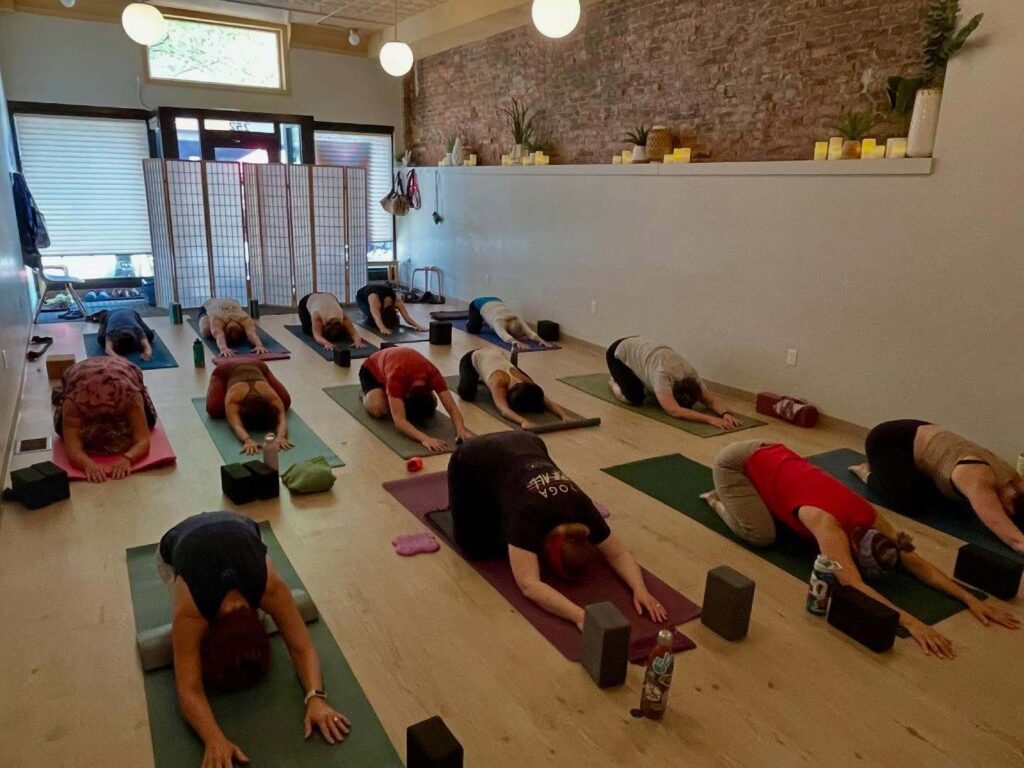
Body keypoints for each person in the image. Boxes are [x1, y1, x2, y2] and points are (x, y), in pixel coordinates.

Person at [702, 441, 1020, 658]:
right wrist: (912, 623)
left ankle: (756, 496)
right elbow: (853, 582)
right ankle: (720, 499)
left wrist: (969, 599)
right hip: (736, 462)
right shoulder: (827, 525)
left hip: (775, 456)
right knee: (762, 535)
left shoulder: (869, 516)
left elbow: (916, 562)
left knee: (785, 515)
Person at [159, 512, 350, 768]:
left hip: (240, 524)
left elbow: (301, 647)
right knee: (191, 638)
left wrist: (317, 698)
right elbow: (188, 689)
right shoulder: (192, 610)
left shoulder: (269, 586)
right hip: (174, 542)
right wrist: (213, 738)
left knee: (267, 579)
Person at [448, 432, 668, 630]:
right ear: (546, 545)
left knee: (510, 527)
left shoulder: (581, 506)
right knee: (478, 549)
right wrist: (579, 616)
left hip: (529, 441)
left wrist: (641, 590)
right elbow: (529, 584)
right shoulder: (527, 514)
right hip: (470, 457)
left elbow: (618, 553)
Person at [851, 420, 1024, 554]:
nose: (1004, 514)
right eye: (1007, 512)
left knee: (944, 499)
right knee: (909, 503)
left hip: (921, 436)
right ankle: (868, 473)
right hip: (888, 441)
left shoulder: (1015, 481)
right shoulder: (978, 481)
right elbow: (1015, 540)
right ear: (1009, 506)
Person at [53, 356, 157, 482]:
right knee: (60, 429)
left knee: (150, 420)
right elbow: (72, 448)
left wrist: (128, 458)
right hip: (79, 373)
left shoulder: (131, 398)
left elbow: (143, 440)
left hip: (125, 369)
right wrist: (87, 464)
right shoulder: (74, 403)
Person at [606, 336, 739, 430]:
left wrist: (725, 414)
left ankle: (640, 377)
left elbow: (711, 400)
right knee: (635, 397)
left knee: (653, 390)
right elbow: (674, 410)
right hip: (617, 352)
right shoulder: (662, 374)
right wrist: (710, 419)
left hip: (641, 349)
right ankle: (614, 381)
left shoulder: (690, 373)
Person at [359, 346, 473, 452]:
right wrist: (424, 438)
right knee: (379, 409)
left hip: (394, 368)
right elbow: (399, 421)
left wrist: (460, 429)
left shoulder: (433, 373)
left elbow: (452, 407)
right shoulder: (397, 377)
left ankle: (393, 397)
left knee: (430, 406)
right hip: (371, 370)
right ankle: (366, 394)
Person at [457, 348, 572, 429]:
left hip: (496, 354)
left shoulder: (526, 381)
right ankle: (480, 376)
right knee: (466, 393)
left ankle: (484, 376)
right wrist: (523, 421)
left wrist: (564, 415)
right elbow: (504, 410)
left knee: (535, 397)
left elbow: (548, 401)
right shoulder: (498, 382)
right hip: (472, 357)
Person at [207, 359, 292, 456]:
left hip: (258, 366)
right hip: (225, 369)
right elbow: (236, 425)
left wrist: (281, 436)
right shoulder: (234, 398)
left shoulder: (271, 397)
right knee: (214, 409)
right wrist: (247, 440)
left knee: (285, 401)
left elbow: (282, 419)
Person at [465, 297, 552, 350]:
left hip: (496, 300)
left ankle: (485, 320)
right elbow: (504, 336)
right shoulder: (498, 321)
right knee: (474, 329)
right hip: (478, 303)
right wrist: (516, 342)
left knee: (491, 324)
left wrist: (542, 341)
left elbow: (530, 333)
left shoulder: (517, 318)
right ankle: (470, 320)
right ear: (508, 329)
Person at [199, 297, 267, 357]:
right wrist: (223, 348)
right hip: (209, 304)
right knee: (206, 330)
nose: (232, 329)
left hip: (232, 301)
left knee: (250, 328)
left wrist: (259, 345)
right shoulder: (217, 318)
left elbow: (251, 333)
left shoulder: (244, 318)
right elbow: (218, 335)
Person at [297, 292, 365, 352]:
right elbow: (317, 335)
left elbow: (354, 333)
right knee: (307, 331)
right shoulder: (317, 316)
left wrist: (357, 341)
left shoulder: (342, 316)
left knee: (344, 334)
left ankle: (334, 334)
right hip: (307, 300)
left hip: (329, 296)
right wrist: (326, 343)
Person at [354, 284, 424, 337]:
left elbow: (407, 317)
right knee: (373, 315)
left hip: (380, 299)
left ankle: (382, 314)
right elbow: (377, 317)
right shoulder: (374, 298)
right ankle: (369, 316)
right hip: (362, 298)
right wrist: (382, 328)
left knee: (391, 318)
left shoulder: (397, 301)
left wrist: (417, 326)